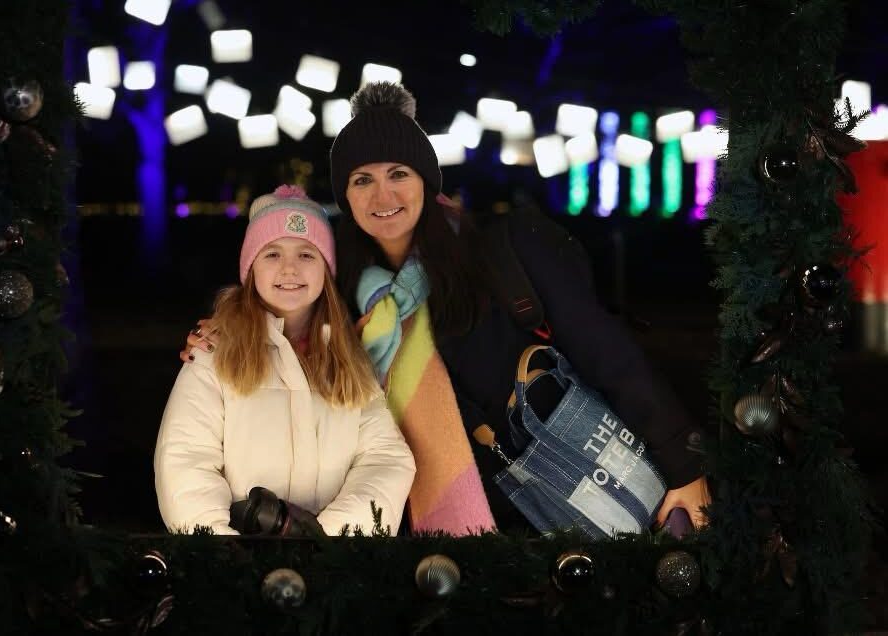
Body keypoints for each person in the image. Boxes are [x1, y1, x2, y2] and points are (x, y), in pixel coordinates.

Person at [185, 83, 711, 537]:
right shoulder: (343, 286)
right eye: (362, 180)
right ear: (345, 194)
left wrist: (684, 465)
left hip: (568, 487)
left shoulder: (501, 250)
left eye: (398, 173)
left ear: (426, 179)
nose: (382, 196)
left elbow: (607, 352)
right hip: (425, 530)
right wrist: (225, 331)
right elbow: (292, 338)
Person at [156, 185, 415, 537]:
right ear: (251, 269)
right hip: (239, 560)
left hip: (332, 561)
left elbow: (385, 460)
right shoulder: (215, 355)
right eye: (272, 254)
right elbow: (185, 460)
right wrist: (224, 550)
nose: (289, 268)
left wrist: (329, 542)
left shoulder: (348, 360)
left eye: (307, 254)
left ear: (325, 271)